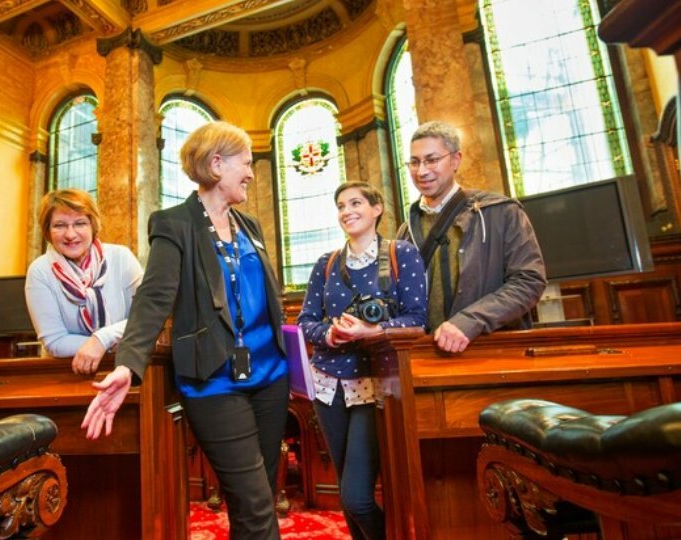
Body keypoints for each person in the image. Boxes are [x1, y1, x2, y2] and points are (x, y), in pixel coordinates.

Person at [82, 121, 289, 539]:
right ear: (216, 164)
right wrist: (128, 365)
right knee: (252, 502)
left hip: (270, 377)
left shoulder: (252, 227)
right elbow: (154, 298)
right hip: (214, 381)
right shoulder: (174, 223)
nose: (251, 173)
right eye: (245, 164)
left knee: (260, 498)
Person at [297, 181, 426, 539]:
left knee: (357, 498)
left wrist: (374, 331)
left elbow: (418, 318)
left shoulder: (402, 255)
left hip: (378, 383)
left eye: (356, 203)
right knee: (346, 492)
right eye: (340, 205)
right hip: (330, 385)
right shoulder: (327, 263)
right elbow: (305, 321)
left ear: (377, 208)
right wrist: (330, 333)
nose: (346, 211)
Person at [396, 120, 546, 353]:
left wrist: (469, 321)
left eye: (432, 160)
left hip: (492, 350)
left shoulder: (500, 212)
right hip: (426, 354)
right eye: (414, 162)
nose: (422, 171)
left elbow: (529, 281)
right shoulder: (405, 231)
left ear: (456, 159)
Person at [25, 189, 144, 374]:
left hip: (125, 368)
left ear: (93, 226)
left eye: (80, 223)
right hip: (65, 374)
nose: (70, 234)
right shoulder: (40, 271)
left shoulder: (122, 257)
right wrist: (113, 342)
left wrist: (102, 339)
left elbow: (144, 319)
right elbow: (55, 341)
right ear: (48, 231)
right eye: (59, 225)